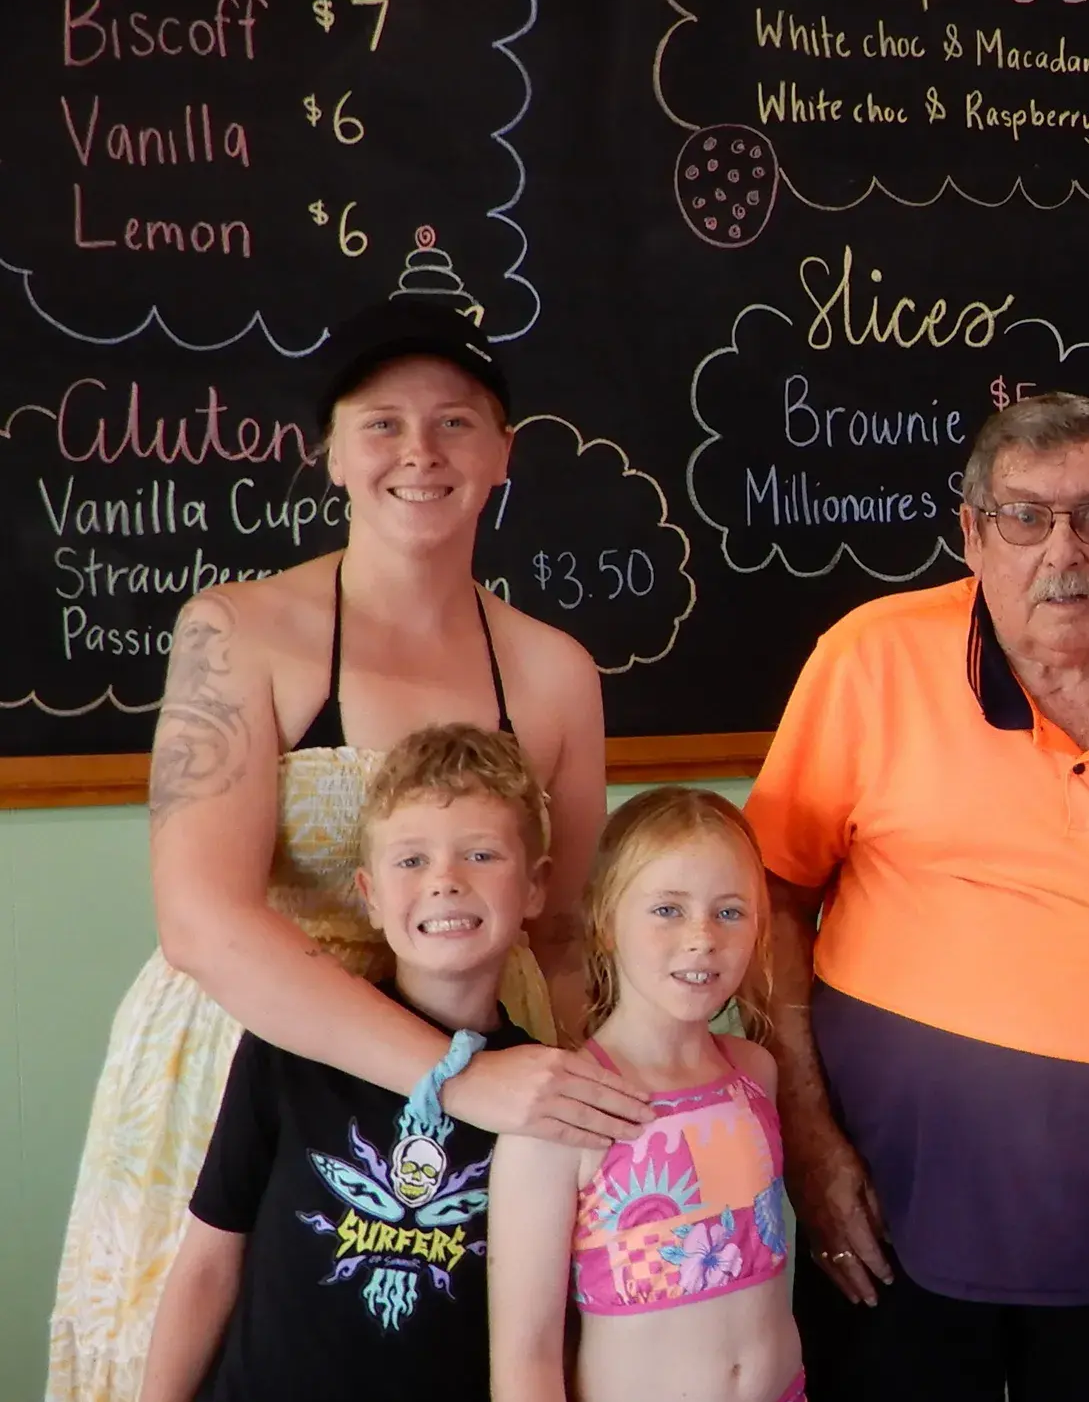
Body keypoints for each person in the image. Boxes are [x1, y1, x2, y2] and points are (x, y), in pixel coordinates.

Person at [50, 300, 650, 1402]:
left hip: (490, 1074)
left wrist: (580, 1123)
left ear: (503, 453)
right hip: (253, 1071)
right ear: (329, 449)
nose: (420, 453)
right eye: (382, 423)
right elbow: (203, 923)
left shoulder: (557, 671)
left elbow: (564, 935)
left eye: (458, 423)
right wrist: (457, 1077)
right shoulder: (237, 631)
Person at [741, 392, 1089, 1402]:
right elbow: (770, 898)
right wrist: (811, 1143)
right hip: (886, 1219)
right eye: (1024, 516)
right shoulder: (868, 658)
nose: (1062, 550)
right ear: (971, 533)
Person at [136, 725, 551, 1402]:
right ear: (369, 892)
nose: (445, 881)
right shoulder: (290, 1046)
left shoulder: (542, 1090)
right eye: (411, 860)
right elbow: (210, 1260)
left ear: (536, 886)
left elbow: (552, 1325)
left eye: (480, 853)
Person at [490, 788, 804, 1402]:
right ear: (606, 922)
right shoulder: (563, 1108)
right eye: (667, 909)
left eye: (730, 912)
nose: (702, 937)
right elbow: (526, 1356)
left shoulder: (754, 1074)